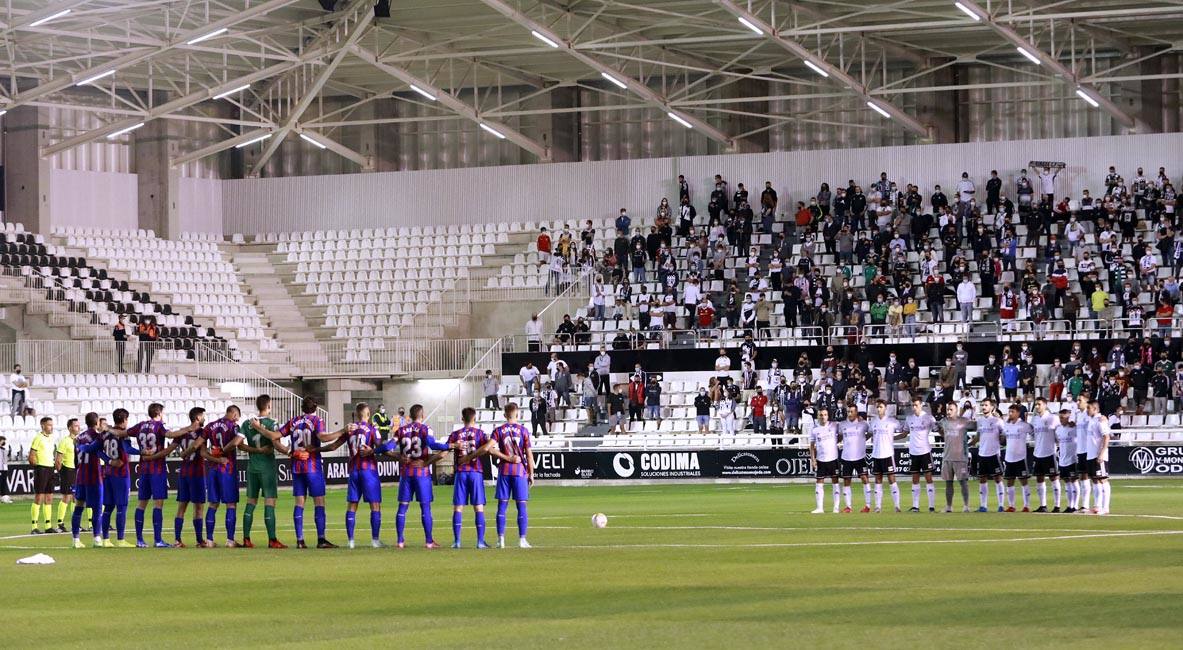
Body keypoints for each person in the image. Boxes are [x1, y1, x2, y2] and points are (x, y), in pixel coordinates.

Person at [257, 397, 347, 548]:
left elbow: (274, 437)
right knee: (319, 501)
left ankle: (300, 540)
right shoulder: (317, 420)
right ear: (316, 408)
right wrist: (342, 431)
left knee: (299, 503)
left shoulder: (293, 421)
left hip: (297, 466)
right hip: (312, 466)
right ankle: (321, 539)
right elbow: (323, 438)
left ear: (301, 407)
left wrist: (259, 427)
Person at [384, 404, 450, 549]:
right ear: (422, 414)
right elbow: (433, 445)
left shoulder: (400, 430)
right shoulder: (426, 429)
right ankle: (429, 541)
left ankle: (400, 541)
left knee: (402, 507)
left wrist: (398, 457)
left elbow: (387, 448)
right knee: (425, 507)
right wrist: (450, 445)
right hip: (422, 473)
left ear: (410, 415)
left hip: (406, 473)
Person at [128, 404, 186, 548]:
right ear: (159, 413)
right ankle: (158, 540)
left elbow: (125, 433)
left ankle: (140, 540)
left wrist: (110, 429)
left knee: (141, 504)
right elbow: (169, 435)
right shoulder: (159, 426)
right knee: (158, 504)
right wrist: (187, 430)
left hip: (143, 468)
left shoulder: (140, 425)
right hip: (157, 469)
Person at [240, 395, 287, 548]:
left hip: (252, 467)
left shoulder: (247, 423)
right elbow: (276, 442)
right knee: (270, 502)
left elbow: (239, 444)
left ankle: (246, 539)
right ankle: (272, 539)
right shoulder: (272, 423)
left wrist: (255, 450)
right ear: (269, 405)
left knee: (251, 502)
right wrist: (289, 452)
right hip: (267, 468)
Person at [339, 403, 383, 549]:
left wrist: (319, 449)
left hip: (353, 470)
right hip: (368, 470)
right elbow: (379, 445)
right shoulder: (372, 428)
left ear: (357, 414)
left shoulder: (350, 430)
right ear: (368, 413)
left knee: (352, 505)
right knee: (375, 504)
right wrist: (373, 451)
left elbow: (334, 446)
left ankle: (351, 541)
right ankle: (375, 541)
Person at [491, 403, 534, 548]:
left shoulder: (499, 430)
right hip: (519, 471)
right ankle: (522, 540)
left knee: (502, 506)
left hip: (504, 470)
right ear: (518, 414)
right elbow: (528, 454)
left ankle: (500, 540)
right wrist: (531, 474)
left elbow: (490, 449)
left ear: (504, 414)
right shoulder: (523, 430)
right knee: (521, 505)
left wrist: (505, 457)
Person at [199, 405, 244, 547]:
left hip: (212, 469)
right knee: (231, 504)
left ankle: (210, 540)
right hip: (227, 469)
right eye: (238, 416)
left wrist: (216, 458)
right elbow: (237, 442)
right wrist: (223, 452)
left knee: (213, 504)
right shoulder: (234, 426)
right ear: (235, 414)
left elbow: (202, 452)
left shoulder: (209, 426)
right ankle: (230, 540)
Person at [447, 407, 490, 549]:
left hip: (461, 473)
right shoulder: (480, 434)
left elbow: (445, 451)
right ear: (475, 418)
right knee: (478, 508)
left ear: (462, 418)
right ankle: (480, 541)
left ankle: (457, 541)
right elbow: (488, 448)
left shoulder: (455, 434)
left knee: (458, 508)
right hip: (476, 472)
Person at [70, 412, 112, 548]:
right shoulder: (97, 436)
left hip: (81, 475)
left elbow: (76, 459)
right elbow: (100, 453)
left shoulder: (79, 437)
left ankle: (76, 540)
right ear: (97, 422)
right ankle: (97, 538)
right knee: (97, 508)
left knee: (78, 506)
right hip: (94, 476)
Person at [172, 407, 209, 547]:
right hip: (197, 473)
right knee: (198, 508)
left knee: (181, 507)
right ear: (198, 418)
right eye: (203, 416)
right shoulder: (202, 433)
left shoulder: (182, 432)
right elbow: (203, 452)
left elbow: (170, 449)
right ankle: (200, 541)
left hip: (184, 472)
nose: (205, 418)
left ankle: (177, 540)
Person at [869, 400, 904, 513]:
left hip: (887, 454)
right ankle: (878, 506)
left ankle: (897, 506)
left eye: (881, 407)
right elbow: (870, 435)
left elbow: (904, 432)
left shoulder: (892, 422)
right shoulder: (873, 422)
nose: (879, 409)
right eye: (877, 407)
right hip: (876, 454)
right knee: (878, 480)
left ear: (885, 408)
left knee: (892, 479)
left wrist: (894, 439)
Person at [904, 399, 938, 512]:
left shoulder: (929, 418)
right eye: (912, 405)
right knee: (915, 479)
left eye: (916, 405)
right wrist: (891, 438)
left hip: (925, 452)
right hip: (913, 452)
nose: (914, 407)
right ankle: (915, 506)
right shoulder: (909, 419)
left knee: (928, 478)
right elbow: (905, 433)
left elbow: (937, 430)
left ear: (921, 405)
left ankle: (931, 506)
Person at [972, 400, 1006, 513]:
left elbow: (1004, 435)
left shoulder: (998, 421)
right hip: (982, 454)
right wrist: (968, 445)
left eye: (986, 405)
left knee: (998, 478)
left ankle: (1001, 505)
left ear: (992, 407)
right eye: (982, 405)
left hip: (994, 453)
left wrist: (1003, 440)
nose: (983, 407)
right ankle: (983, 506)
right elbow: (978, 436)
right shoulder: (980, 421)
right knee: (982, 479)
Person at [838, 404, 872, 513]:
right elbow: (839, 437)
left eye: (852, 411)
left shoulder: (863, 424)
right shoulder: (842, 425)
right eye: (848, 411)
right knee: (847, 481)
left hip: (860, 457)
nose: (850, 413)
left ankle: (867, 505)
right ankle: (848, 506)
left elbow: (870, 433)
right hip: (846, 457)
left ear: (856, 412)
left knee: (865, 479)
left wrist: (863, 439)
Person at [940, 402, 973, 512]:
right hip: (947, 457)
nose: (948, 412)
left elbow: (978, 427)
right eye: (948, 409)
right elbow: (940, 430)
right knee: (948, 483)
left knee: (963, 482)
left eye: (951, 409)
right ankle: (949, 507)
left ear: (957, 410)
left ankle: (966, 506)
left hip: (960, 457)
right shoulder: (944, 421)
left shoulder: (964, 421)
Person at [808, 408, 841, 514]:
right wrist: (813, 460)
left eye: (825, 414)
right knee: (819, 483)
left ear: (828, 416)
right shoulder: (814, 429)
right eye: (821, 415)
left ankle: (836, 507)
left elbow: (841, 435)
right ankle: (819, 508)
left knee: (835, 483)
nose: (823, 417)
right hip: (821, 460)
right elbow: (812, 446)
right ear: (818, 416)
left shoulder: (834, 426)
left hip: (833, 459)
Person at [1029, 398, 1059, 512]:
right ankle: (1043, 505)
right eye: (1035, 404)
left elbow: (1059, 432)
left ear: (1045, 405)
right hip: (1037, 453)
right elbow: (1032, 434)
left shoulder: (1053, 418)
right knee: (1039, 479)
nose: (1037, 406)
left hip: (1050, 452)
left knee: (1054, 478)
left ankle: (1057, 506)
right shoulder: (1034, 419)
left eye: (1039, 404)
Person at [1001, 405, 1032, 513]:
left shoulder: (1024, 425)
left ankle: (1027, 506)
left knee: (1024, 481)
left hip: (1020, 458)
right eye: (1009, 412)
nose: (1010, 414)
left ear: (1018, 413)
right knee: (1009, 482)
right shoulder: (1007, 425)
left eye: (1012, 412)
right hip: (1009, 458)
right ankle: (1011, 506)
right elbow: (1003, 438)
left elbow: (1033, 433)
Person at [28, 417, 56, 534]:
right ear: (43, 425)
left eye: (52, 424)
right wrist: (37, 466)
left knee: (49, 497)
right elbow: (32, 455)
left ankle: (48, 525)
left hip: (50, 468)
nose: (51, 427)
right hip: (41, 469)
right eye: (49, 425)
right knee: (39, 496)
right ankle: (34, 526)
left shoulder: (52, 438)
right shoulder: (38, 438)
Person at [1085, 400, 1112, 515]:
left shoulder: (1100, 420)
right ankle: (1097, 506)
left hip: (1099, 455)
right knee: (1095, 480)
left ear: (1095, 409)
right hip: (1091, 454)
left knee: (1103, 479)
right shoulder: (1091, 420)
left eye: (1089, 408)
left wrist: (1101, 453)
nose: (1087, 410)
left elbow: (1107, 437)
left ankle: (1105, 508)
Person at [53, 419, 79, 530]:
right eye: (76, 426)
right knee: (66, 497)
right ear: (70, 428)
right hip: (68, 471)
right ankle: (60, 523)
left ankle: (75, 522)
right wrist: (62, 473)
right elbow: (58, 460)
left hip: (77, 470)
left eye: (78, 425)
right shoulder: (64, 441)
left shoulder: (79, 440)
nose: (78, 427)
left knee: (75, 498)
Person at [1054, 409, 1079, 513]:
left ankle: (1075, 506)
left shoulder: (1074, 428)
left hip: (1072, 459)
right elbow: (1057, 441)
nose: (1061, 419)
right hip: (1062, 460)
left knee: (1074, 481)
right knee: (1067, 483)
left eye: (1063, 417)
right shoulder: (1058, 429)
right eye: (1060, 417)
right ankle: (1069, 505)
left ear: (1069, 417)